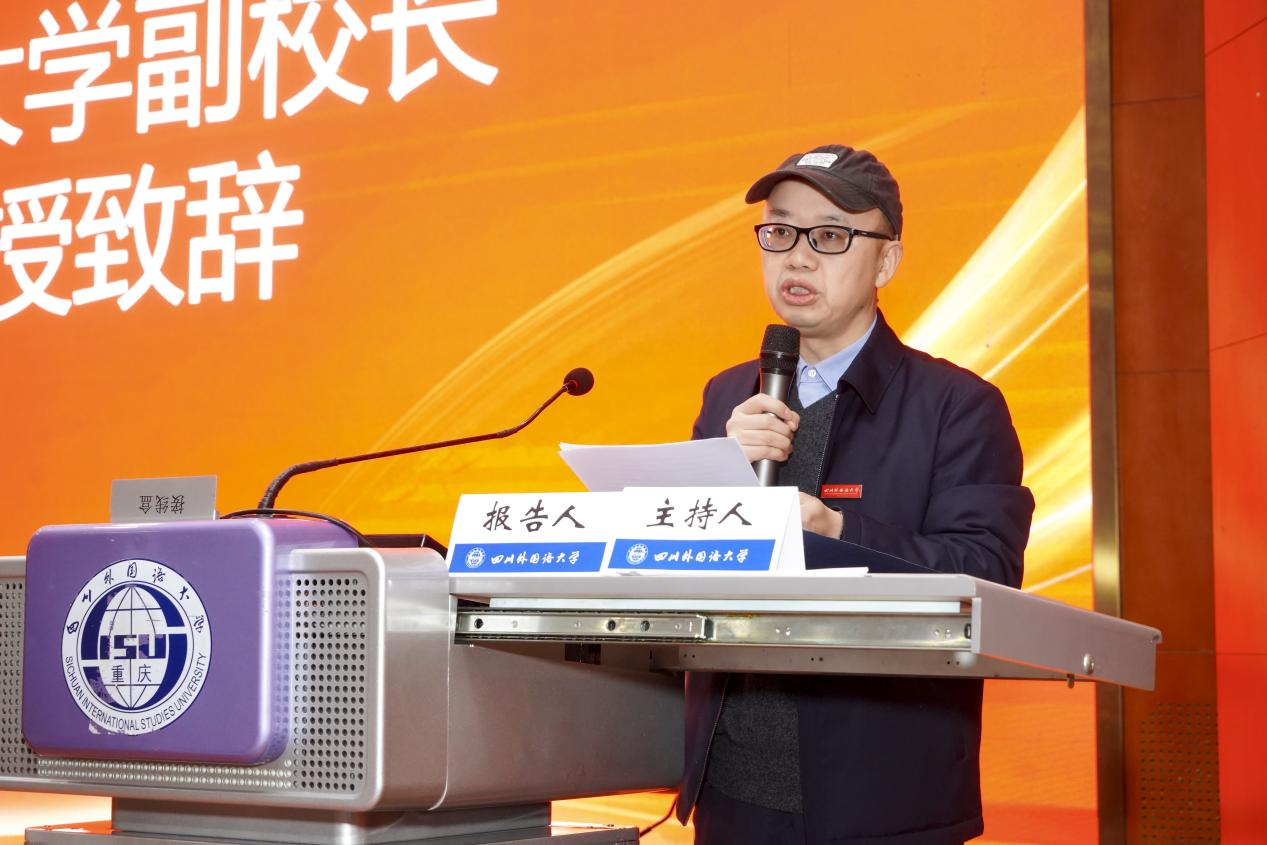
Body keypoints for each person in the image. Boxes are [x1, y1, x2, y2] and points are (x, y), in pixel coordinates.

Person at [677, 145, 1035, 844]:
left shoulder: (957, 406)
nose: (797, 257)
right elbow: (685, 574)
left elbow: (988, 574)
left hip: (883, 799)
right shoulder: (729, 396)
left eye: (830, 235)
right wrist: (709, 477)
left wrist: (837, 532)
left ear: (886, 261)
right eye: (780, 231)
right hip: (733, 794)